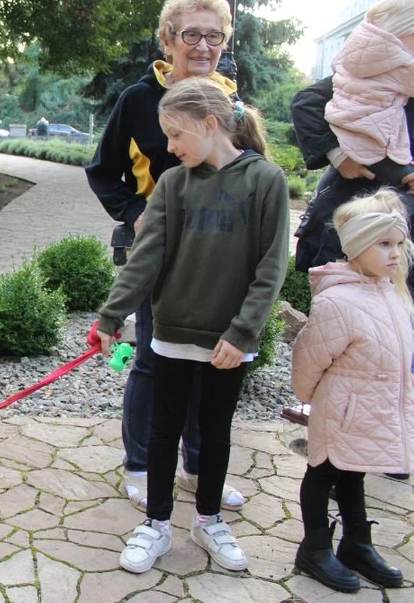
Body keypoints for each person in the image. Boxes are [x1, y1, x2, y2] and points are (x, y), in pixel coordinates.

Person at [95, 77, 289, 575]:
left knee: (215, 431)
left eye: (176, 136)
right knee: (163, 431)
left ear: (209, 125)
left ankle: (208, 520)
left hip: (229, 341)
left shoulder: (266, 181)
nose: (170, 147)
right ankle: (156, 525)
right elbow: (146, 256)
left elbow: (271, 267)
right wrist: (112, 315)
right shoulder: (173, 184)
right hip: (173, 333)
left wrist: (243, 332)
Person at [85, 0, 245, 514]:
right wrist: (136, 213)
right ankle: (140, 465)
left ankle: (199, 470)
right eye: (191, 34)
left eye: (213, 36)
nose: (203, 46)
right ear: (168, 39)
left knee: (209, 364)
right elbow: (104, 170)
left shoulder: (232, 103)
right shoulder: (138, 100)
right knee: (153, 361)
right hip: (158, 252)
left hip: (218, 255)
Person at [290, 188, 413, 593]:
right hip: (340, 410)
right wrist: (313, 400)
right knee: (323, 473)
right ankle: (315, 547)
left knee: (353, 474)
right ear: (357, 247)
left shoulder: (393, 294)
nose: (394, 253)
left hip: (371, 410)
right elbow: (309, 359)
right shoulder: (338, 301)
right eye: (383, 244)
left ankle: (357, 544)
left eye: (399, 244)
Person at [324, 0, 414, 187]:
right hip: (375, 148)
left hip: (349, 132)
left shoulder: (352, 55)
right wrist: (338, 157)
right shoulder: (401, 65)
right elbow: (305, 102)